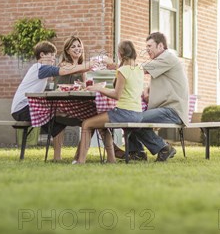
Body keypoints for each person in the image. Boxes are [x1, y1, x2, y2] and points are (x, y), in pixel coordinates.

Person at [10, 41, 93, 160]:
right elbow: (64, 71)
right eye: (52, 55)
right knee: (60, 115)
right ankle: (62, 156)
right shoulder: (41, 68)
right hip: (22, 110)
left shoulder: (39, 69)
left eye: (55, 56)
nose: (54, 59)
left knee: (60, 121)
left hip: (25, 108)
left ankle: (57, 158)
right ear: (42, 55)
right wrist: (87, 65)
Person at [73, 40, 144, 164]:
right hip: (138, 113)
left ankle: (80, 161)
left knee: (86, 123)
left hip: (125, 112)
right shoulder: (139, 68)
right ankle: (111, 159)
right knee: (100, 124)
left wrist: (99, 88)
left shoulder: (123, 71)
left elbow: (116, 95)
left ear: (121, 54)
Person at [127, 32, 189, 162]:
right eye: (146, 46)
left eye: (150, 46)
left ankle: (163, 147)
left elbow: (139, 69)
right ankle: (137, 153)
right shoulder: (162, 61)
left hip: (173, 111)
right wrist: (146, 90)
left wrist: (119, 66)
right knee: (129, 117)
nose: (147, 49)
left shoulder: (168, 57)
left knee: (133, 119)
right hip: (166, 109)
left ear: (160, 45)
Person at [52, 36, 87, 160]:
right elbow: (59, 88)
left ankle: (79, 155)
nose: (77, 48)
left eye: (79, 46)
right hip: (61, 109)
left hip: (77, 106)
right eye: (73, 46)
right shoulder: (64, 65)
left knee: (95, 119)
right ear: (67, 51)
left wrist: (84, 85)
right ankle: (60, 157)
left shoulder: (82, 68)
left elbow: (86, 87)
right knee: (93, 120)